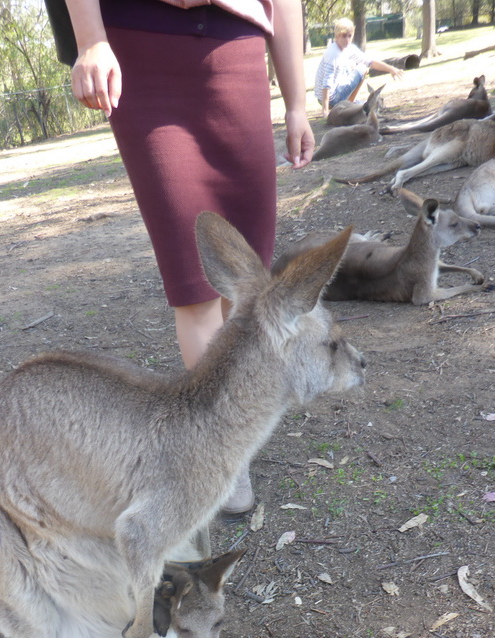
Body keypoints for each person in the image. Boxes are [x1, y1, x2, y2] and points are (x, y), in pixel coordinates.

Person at [44, 0, 314, 516]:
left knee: (245, 279)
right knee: (192, 280)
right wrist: (91, 40)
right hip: (140, 49)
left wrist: (297, 103)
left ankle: (231, 428)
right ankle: (225, 454)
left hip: (235, 48)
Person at [314, 17, 403, 117]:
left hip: (333, 93)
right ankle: (350, 104)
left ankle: (351, 103)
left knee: (354, 65)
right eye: (344, 36)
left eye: (349, 36)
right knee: (362, 68)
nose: (347, 40)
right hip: (331, 99)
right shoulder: (333, 53)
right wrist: (325, 112)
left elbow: (370, 62)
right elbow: (326, 85)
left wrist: (391, 69)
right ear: (337, 36)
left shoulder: (348, 48)